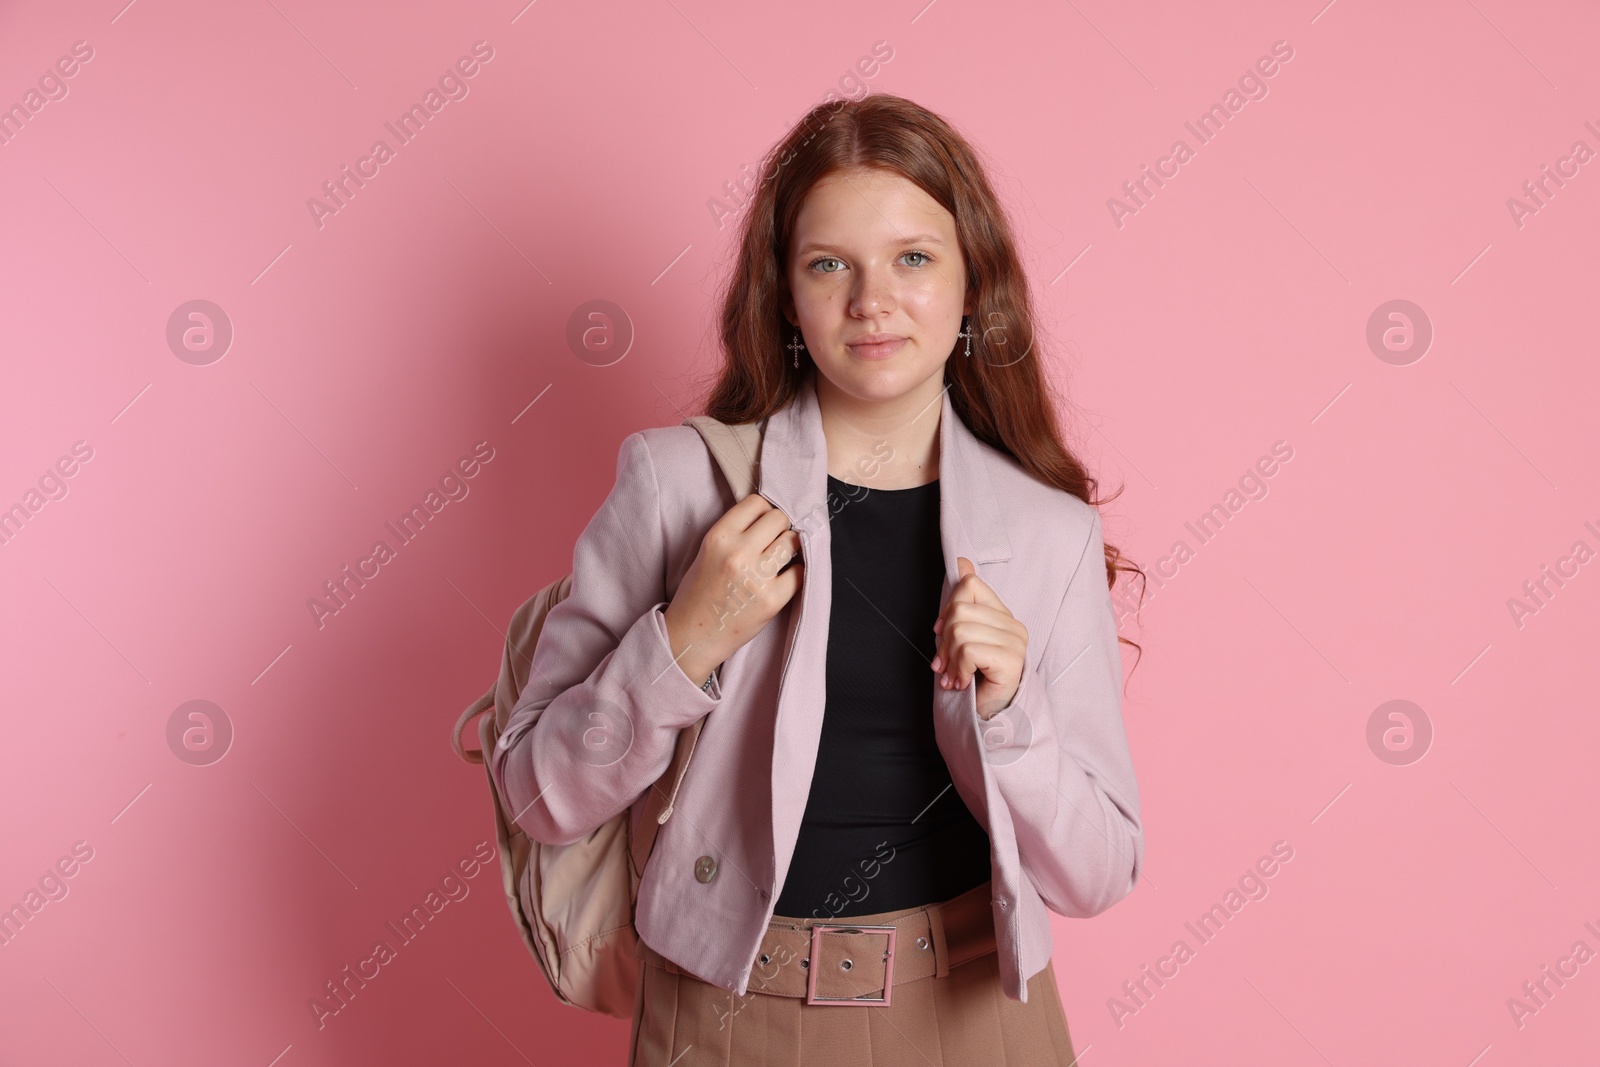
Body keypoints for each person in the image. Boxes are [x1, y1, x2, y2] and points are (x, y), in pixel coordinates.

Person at [492, 92, 1146, 1066]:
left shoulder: (1047, 531)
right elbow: (541, 796)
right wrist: (681, 643)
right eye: (828, 262)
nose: (870, 299)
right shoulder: (678, 484)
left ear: (974, 285)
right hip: (722, 1013)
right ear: (785, 295)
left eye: (913, 257)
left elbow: (1096, 872)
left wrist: (1013, 713)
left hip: (978, 1017)